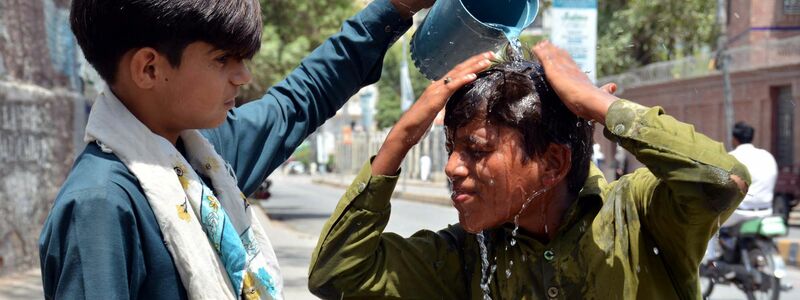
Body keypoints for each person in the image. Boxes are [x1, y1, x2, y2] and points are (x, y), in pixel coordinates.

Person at [37, 0, 432, 299]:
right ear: (149, 69)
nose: (243, 76)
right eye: (222, 59)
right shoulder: (101, 205)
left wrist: (395, 8)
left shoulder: (204, 160)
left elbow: (302, 98)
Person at [307, 42, 749, 299]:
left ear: (553, 163)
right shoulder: (470, 254)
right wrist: (402, 137)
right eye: (450, 149)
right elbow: (336, 275)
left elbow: (721, 179)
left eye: (475, 150)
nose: (452, 168)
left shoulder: (638, 217)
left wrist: (594, 104)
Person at [726, 121, 778, 223]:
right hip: (766, 212)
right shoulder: (767, 156)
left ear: (734, 139)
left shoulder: (732, 157)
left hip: (739, 213)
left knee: (710, 228)